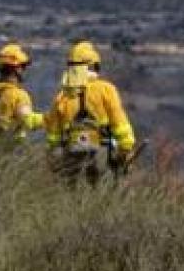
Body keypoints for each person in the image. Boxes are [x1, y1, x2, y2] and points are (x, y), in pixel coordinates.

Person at [46, 41, 136, 183]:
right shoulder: (106, 89)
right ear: (94, 65)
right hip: (102, 150)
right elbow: (119, 123)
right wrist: (126, 148)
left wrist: (54, 155)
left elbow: (53, 136)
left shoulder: (62, 96)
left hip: (71, 153)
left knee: (70, 192)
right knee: (103, 191)